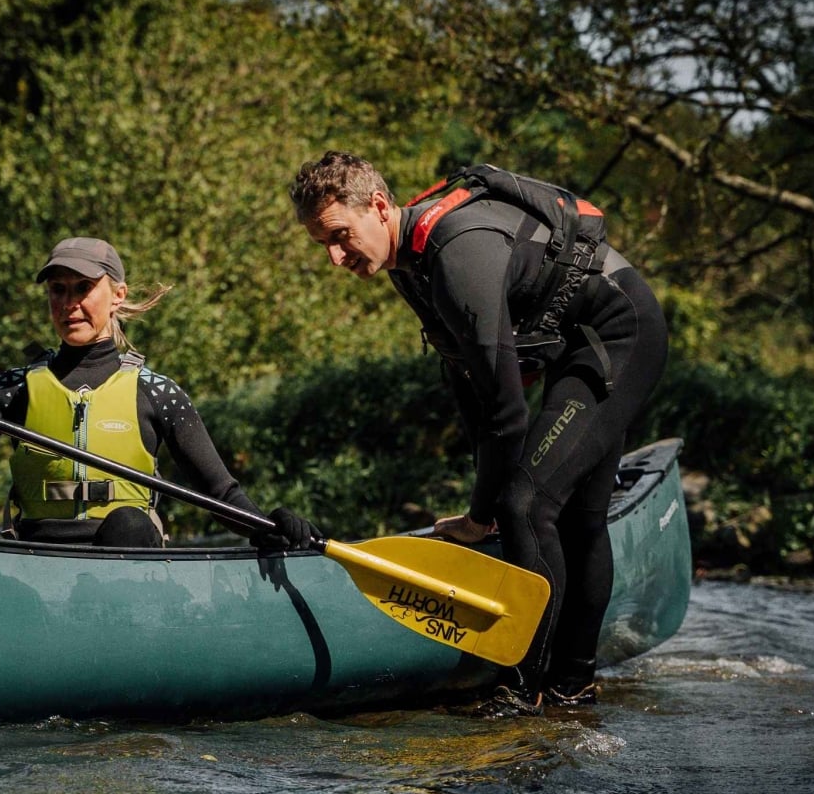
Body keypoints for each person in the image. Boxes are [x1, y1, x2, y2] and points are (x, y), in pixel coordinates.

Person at [286, 152, 669, 717]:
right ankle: (572, 689)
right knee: (574, 516)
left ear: (379, 206)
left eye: (340, 236)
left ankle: (524, 687)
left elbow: (506, 412)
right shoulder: (409, 263)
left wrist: (484, 512)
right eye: (323, 244)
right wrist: (481, 509)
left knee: (527, 504)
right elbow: (470, 385)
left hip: (618, 337)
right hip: (579, 346)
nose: (335, 257)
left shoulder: (455, 253)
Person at [0, 236, 312, 549]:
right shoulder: (14, 389)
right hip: (38, 558)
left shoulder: (158, 393)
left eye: (83, 288)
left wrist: (268, 525)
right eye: (58, 290)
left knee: (127, 523)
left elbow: (221, 491)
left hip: (128, 562)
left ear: (118, 295)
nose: (69, 304)